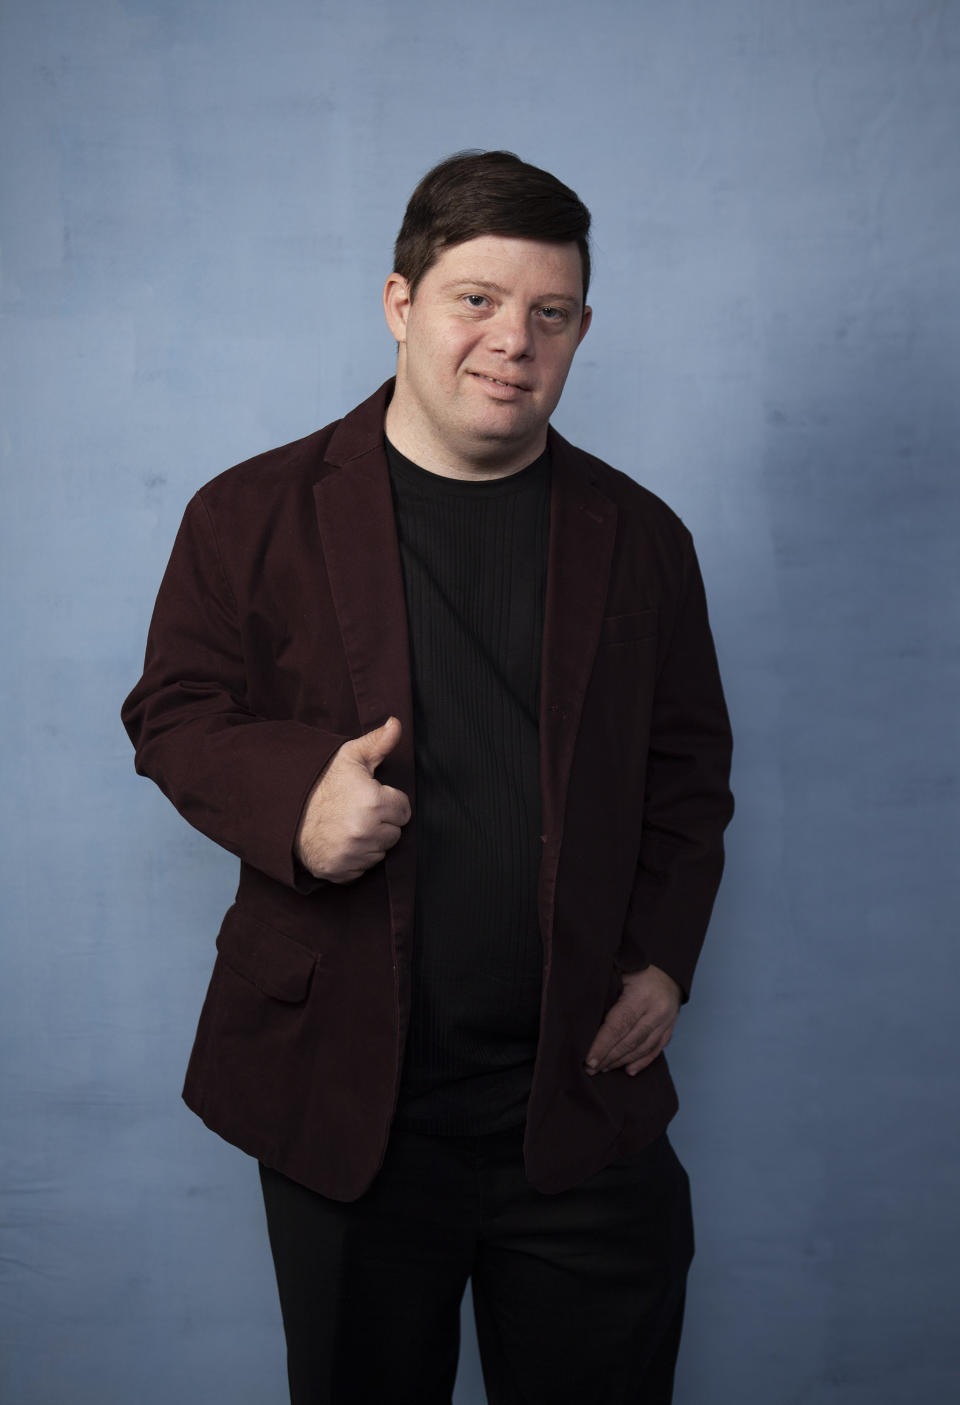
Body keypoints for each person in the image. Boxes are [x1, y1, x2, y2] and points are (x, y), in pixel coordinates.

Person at [122, 149, 734, 1405]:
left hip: (579, 1107)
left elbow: (690, 769)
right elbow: (173, 712)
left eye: (548, 313)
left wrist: (666, 958)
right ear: (400, 303)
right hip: (349, 1108)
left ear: (579, 330)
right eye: (476, 300)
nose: (513, 341)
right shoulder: (248, 515)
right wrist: (298, 801)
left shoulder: (645, 537)